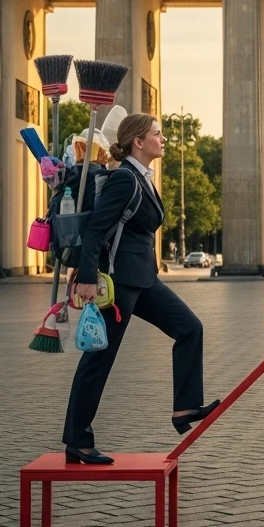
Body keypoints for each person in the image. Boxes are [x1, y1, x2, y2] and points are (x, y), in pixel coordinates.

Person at [62, 113, 218, 464]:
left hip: (144, 279)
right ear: (138, 141)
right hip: (119, 283)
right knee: (98, 360)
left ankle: (184, 407)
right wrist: (87, 276)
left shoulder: (142, 177)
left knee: (190, 328)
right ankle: (78, 441)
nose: (162, 139)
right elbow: (95, 230)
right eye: (157, 134)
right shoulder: (124, 179)